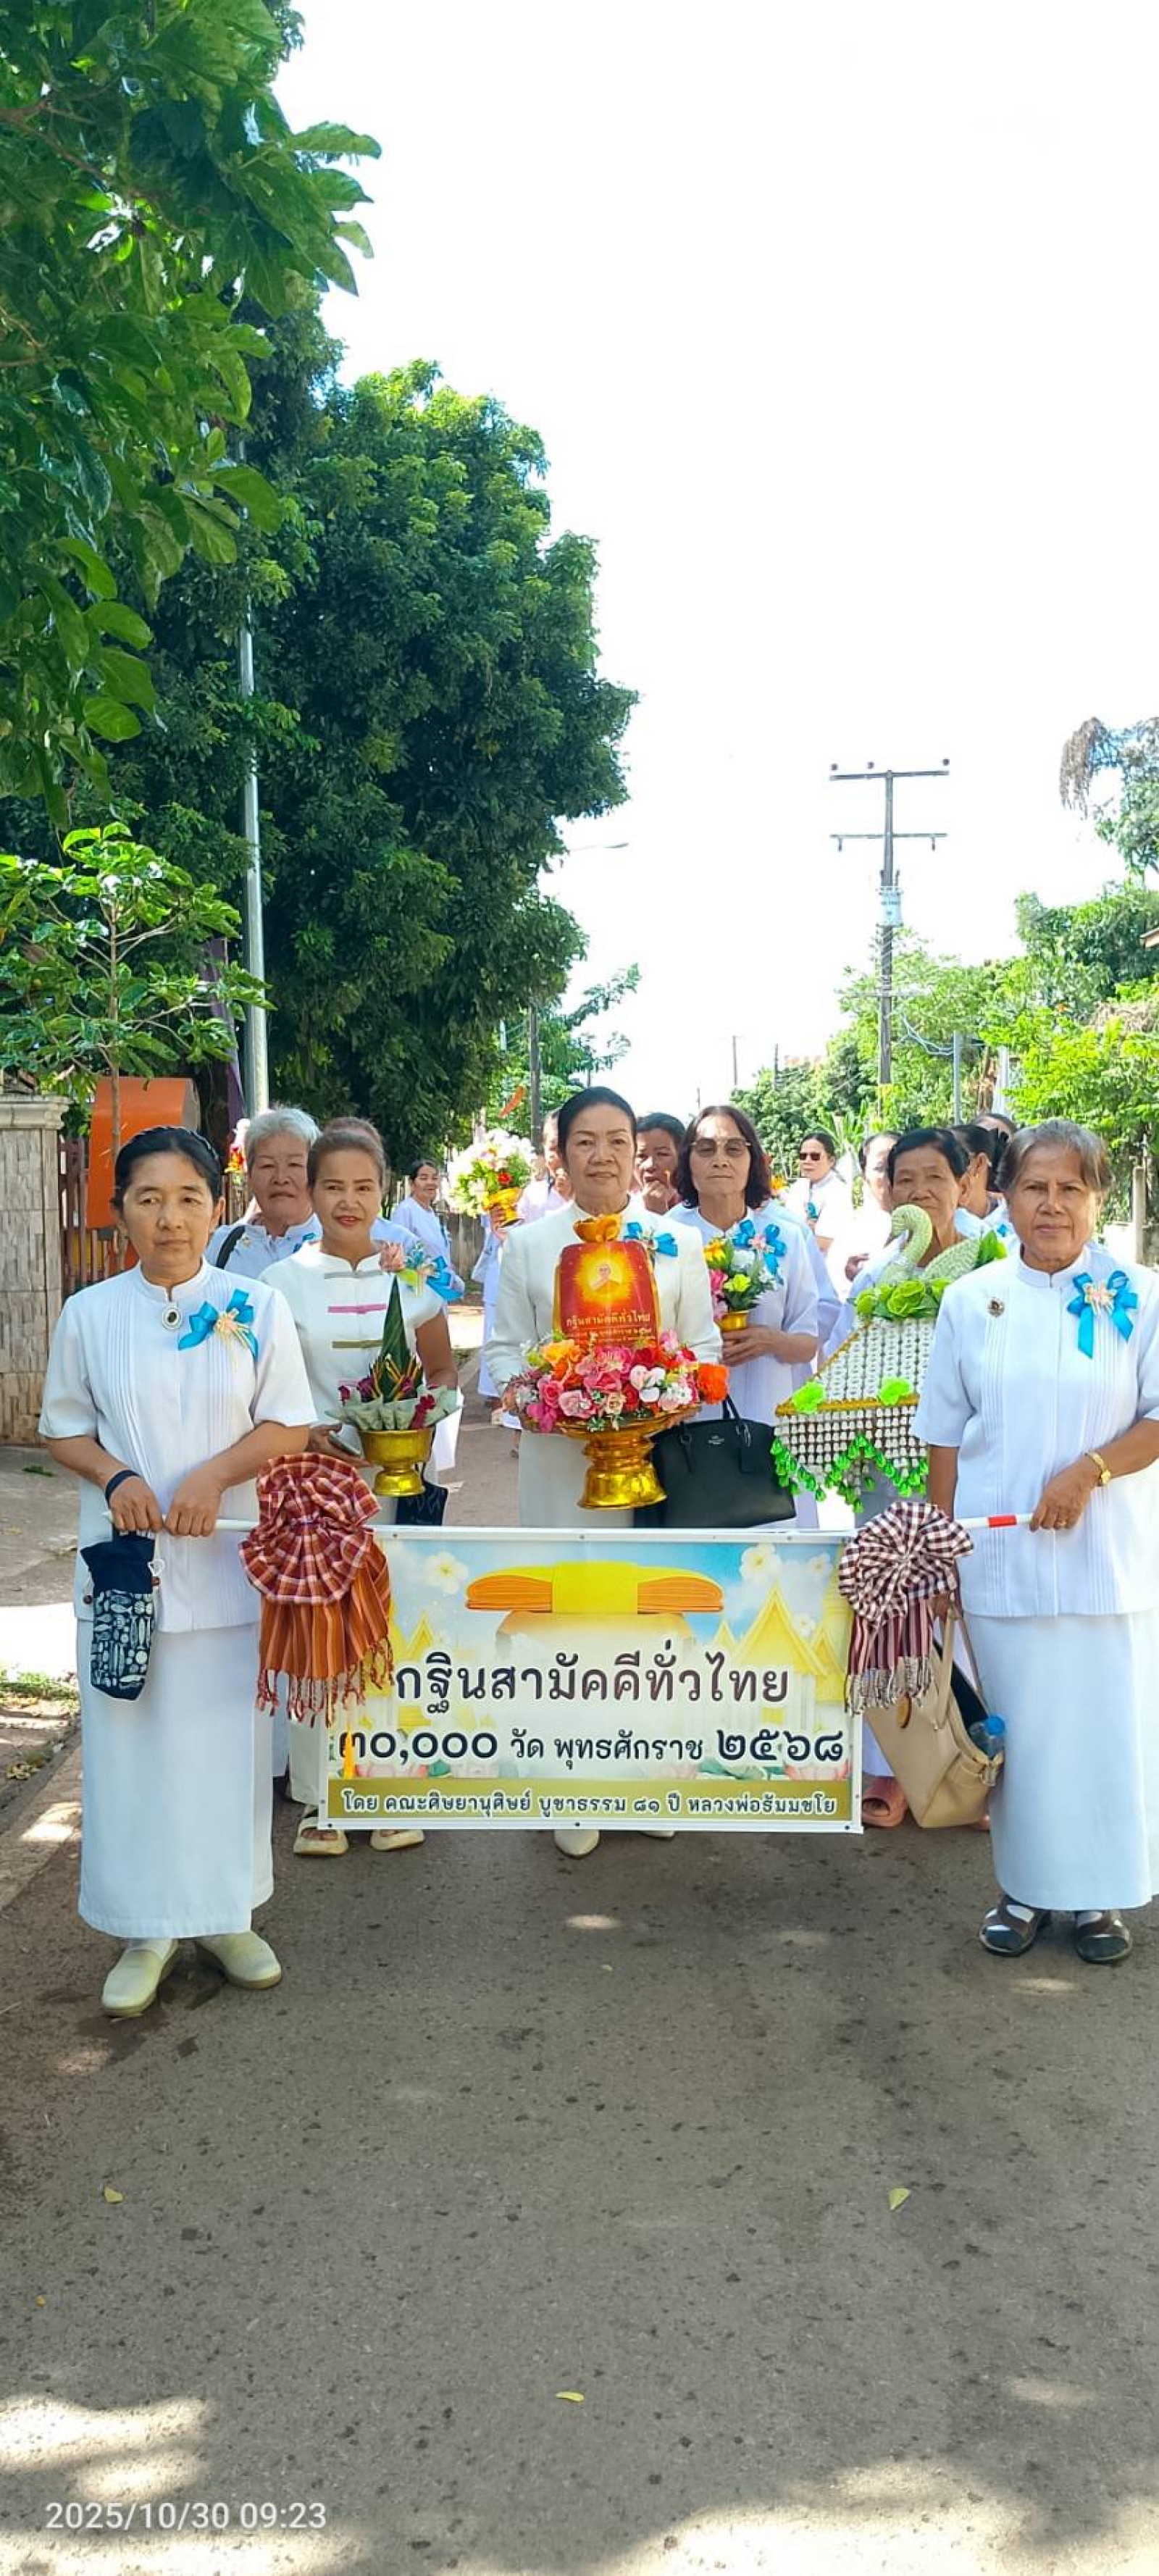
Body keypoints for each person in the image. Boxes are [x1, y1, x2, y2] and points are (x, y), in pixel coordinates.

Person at [38, 1127, 314, 2018]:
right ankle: (145, 1928)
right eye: (150, 1198)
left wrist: (214, 1475)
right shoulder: (91, 1313)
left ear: (215, 1206)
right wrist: (116, 1476)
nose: (171, 1217)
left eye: (189, 1197)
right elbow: (62, 1428)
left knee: (225, 1755)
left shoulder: (255, 1306)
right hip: (126, 1578)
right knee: (131, 1756)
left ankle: (226, 1915)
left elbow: (289, 1424)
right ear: (120, 1212)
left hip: (228, 1570)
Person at [916, 1120, 1159, 1964]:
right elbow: (942, 1434)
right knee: (1018, 1737)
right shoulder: (970, 1300)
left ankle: (1097, 1899)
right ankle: (1021, 1890)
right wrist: (939, 1549)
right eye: (1034, 1187)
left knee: (1101, 1731)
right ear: (1006, 1198)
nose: (1051, 1204)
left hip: (1109, 1559)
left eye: (1070, 1188)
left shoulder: (1143, 1292)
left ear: (1096, 1198)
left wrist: (1088, 1469)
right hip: (1001, 1559)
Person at [485, 1085, 720, 1857]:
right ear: (559, 1154)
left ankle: (651, 1772)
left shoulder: (673, 1243)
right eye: (585, 1140)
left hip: (656, 1465)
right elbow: (499, 1355)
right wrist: (557, 1399)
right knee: (569, 1611)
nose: (603, 1155)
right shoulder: (526, 1247)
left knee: (650, 1611)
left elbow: (703, 1346)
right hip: (560, 1467)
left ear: (640, 1150)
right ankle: (572, 1780)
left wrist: (668, 1395)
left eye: (618, 1139)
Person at [262, 1118, 459, 1861]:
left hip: (397, 1480)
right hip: (311, 1484)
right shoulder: (277, 1286)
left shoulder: (413, 1278)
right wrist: (305, 1434)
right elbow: (262, 1387)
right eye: (333, 1186)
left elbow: (442, 1372)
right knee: (321, 1637)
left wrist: (414, 1421)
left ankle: (391, 1784)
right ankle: (320, 1802)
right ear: (310, 1192)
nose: (349, 1200)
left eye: (364, 1186)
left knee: (391, 1630)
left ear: (386, 1192)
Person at [674, 1105, 818, 1497]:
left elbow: (808, 1341)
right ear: (687, 1162)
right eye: (705, 1149)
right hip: (686, 1422)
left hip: (768, 1415)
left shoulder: (785, 1237)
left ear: (753, 1160)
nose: (720, 1160)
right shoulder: (664, 1240)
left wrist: (771, 1340)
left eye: (734, 1149)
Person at [209, 1105, 447, 1281]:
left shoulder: (357, 1244)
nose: (281, 1178)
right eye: (267, 1166)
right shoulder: (223, 1245)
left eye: (294, 1165)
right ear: (250, 1176)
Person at [834, 1131, 898, 1285]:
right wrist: (862, 1282)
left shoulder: (933, 1225)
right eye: (880, 1168)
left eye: (896, 1165)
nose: (890, 1176)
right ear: (864, 1174)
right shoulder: (850, 1235)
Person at [784, 1129, 854, 1258]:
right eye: (803, 1156)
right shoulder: (798, 1187)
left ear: (831, 1160)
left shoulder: (838, 1191)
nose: (807, 1161)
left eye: (815, 1156)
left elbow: (826, 1241)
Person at [394, 1156, 454, 1268]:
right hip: (416, 1281)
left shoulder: (432, 1213)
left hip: (439, 1281)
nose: (430, 1183)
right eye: (423, 1178)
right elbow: (397, 1251)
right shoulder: (406, 1210)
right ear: (412, 1184)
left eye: (434, 1178)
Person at [516, 1112, 566, 1224]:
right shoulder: (532, 1196)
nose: (562, 1156)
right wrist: (502, 1231)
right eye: (554, 1148)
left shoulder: (600, 1196)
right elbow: (517, 1237)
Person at [636, 1112, 686, 1215]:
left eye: (662, 1154)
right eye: (641, 1156)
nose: (650, 1165)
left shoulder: (699, 1209)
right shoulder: (622, 1211)